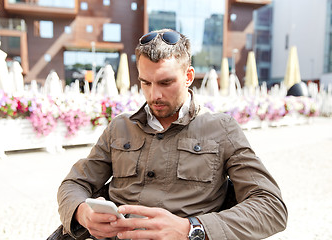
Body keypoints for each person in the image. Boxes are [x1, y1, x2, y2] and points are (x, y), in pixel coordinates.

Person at [57, 29, 287, 240]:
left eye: (166, 82)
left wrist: (192, 228)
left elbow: (271, 208)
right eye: (145, 82)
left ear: (189, 77)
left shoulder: (221, 128)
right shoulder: (119, 127)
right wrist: (81, 212)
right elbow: (74, 183)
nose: (154, 94)